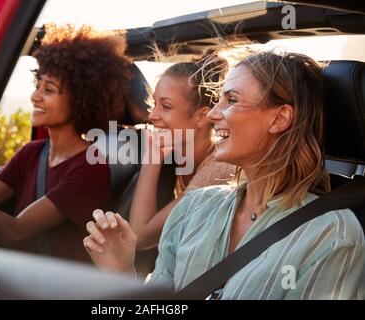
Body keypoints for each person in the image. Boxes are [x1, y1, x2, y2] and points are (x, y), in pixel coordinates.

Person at [83, 51, 364, 299]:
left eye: (232, 100)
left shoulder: (333, 234)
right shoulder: (193, 209)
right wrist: (121, 272)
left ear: (279, 118)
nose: (214, 114)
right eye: (219, 100)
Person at [0, 24, 133, 262]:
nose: (34, 96)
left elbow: (14, 232)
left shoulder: (91, 168)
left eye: (48, 89)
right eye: (38, 85)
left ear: (81, 99)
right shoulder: (32, 152)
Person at [93, 57, 236, 253]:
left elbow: (139, 237)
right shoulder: (175, 158)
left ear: (202, 116)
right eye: (154, 104)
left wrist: (153, 157)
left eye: (166, 106)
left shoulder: (218, 168)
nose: (152, 116)